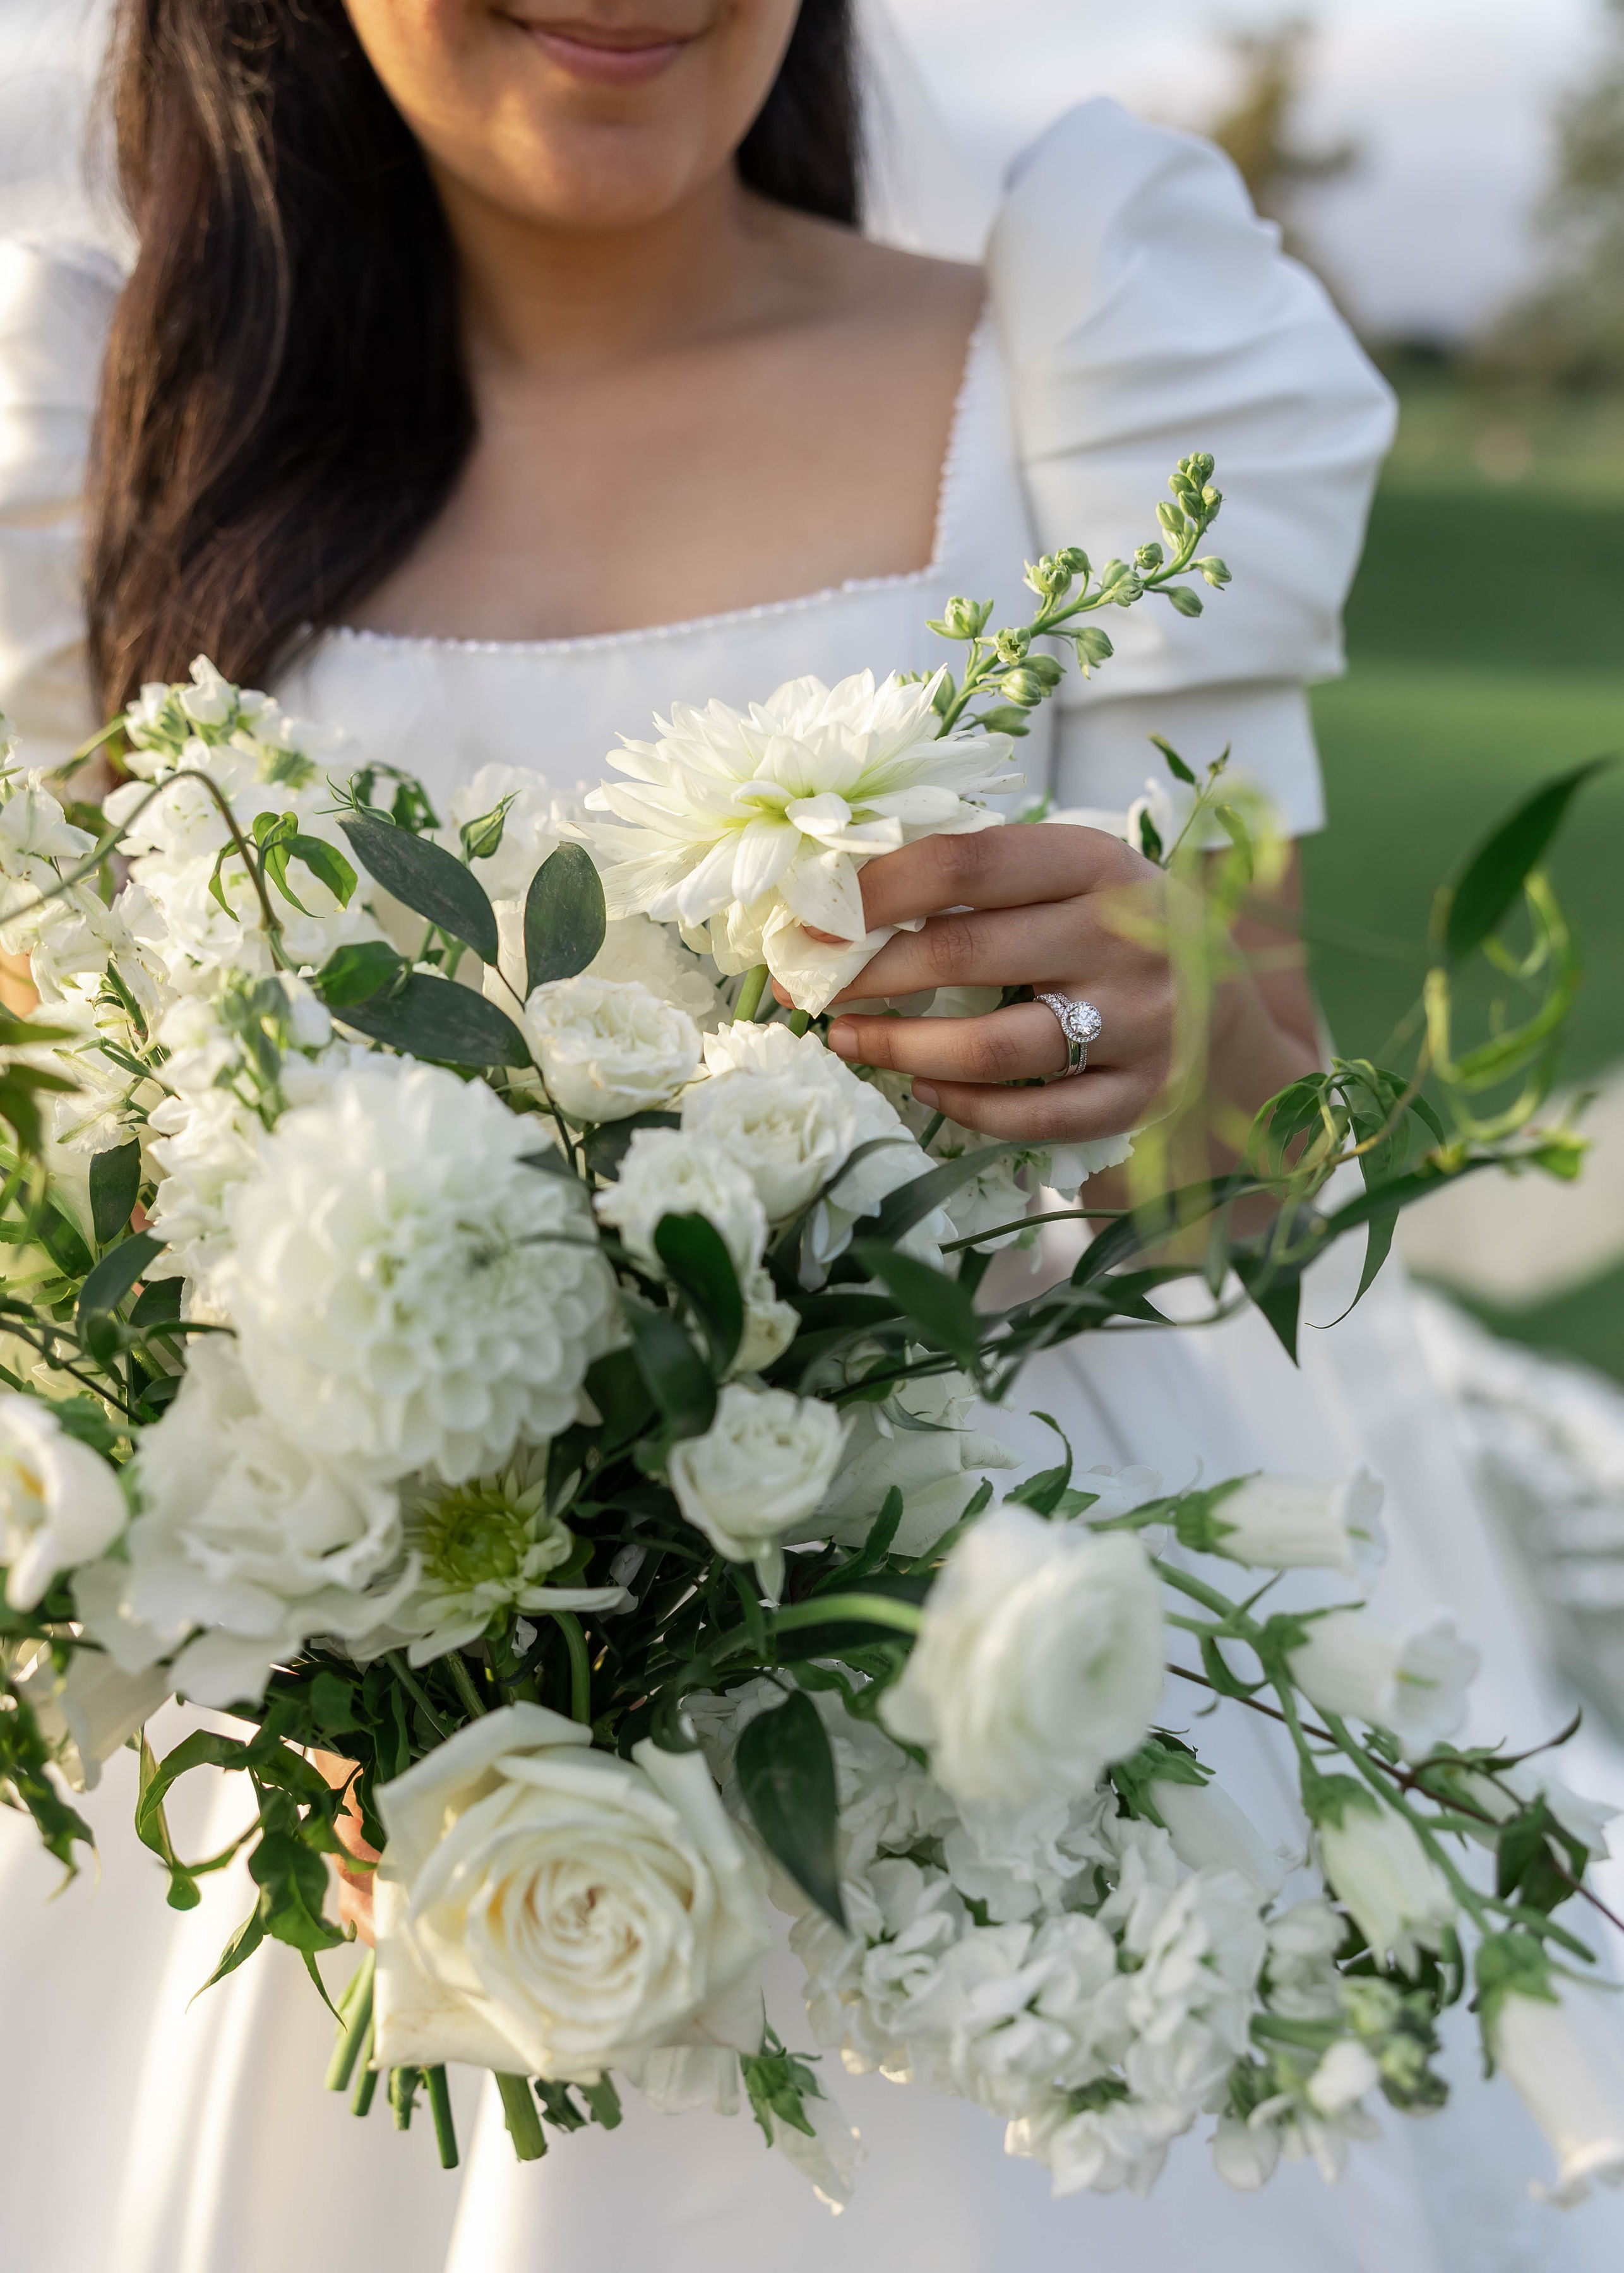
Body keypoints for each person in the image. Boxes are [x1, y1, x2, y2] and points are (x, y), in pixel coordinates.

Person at [1, 4, 1620, 2269]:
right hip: (371, 1847)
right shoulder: (115, 427)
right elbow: (73, 1221)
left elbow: (1255, 1186)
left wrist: (1159, 1025)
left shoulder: (1095, 351)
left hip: (1019, 1757)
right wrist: (290, 1630)